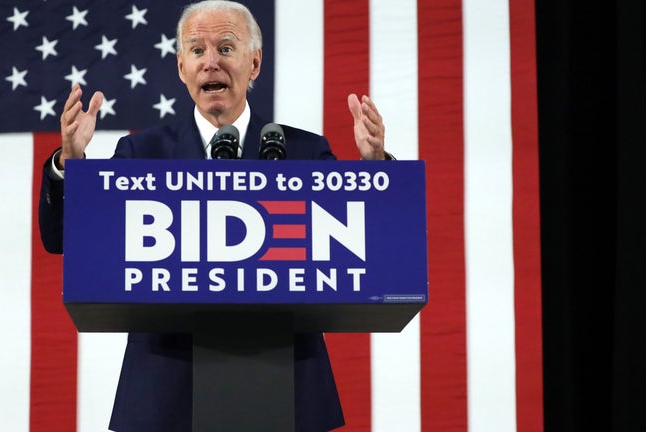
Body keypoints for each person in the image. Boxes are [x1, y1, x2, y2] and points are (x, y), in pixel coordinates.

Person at [38, 1, 391, 431]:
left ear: (254, 63)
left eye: (226, 47)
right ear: (181, 67)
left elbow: (372, 250)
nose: (211, 63)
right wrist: (70, 164)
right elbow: (62, 240)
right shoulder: (142, 154)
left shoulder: (304, 152)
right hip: (167, 386)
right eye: (197, 51)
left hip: (287, 381)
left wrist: (376, 170)